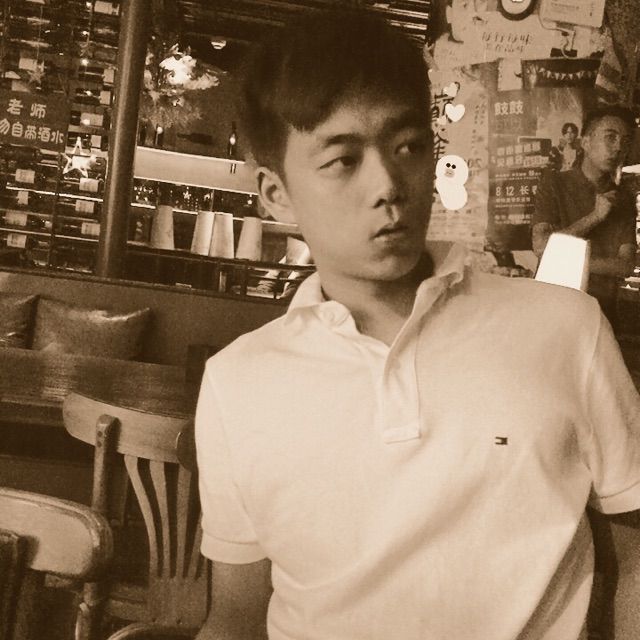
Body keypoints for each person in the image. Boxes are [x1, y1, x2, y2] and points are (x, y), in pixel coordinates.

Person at [195, 9, 640, 640]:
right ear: (275, 194)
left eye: (407, 147)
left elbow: (635, 551)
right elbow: (236, 617)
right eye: (342, 160)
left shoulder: (566, 328)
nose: (388, 185)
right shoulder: (237, 382)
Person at [532, 105, 637, 324]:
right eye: (610, 137)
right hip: (551, 307)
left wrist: (564, 257)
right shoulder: (554, 184)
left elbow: (625, 266)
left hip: (600, 314)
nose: (618, 147)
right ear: (586, 142)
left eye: (625, 141)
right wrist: (595, 217)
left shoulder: (624, 199)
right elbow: (541, 247)